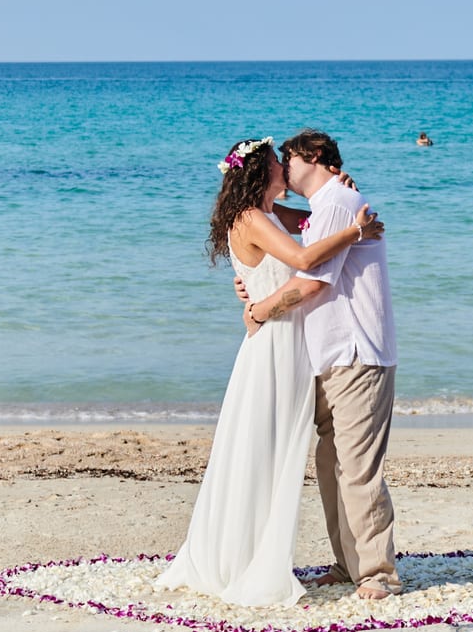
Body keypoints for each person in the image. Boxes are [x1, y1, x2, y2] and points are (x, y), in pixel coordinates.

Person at [160, 136, 385, 606]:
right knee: (264, 450)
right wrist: (355, 232)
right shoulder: (253, 218)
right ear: (261, 172)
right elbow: (305, 259)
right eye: (277, 163)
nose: (284, 168)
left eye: (289, 160)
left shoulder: (266, 215)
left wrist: (341, 197)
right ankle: (248, 558)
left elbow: (312, 224)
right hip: (277, 345)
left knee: (275, 449)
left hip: (292, 344)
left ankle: (274, 554)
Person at [237, 130, 401, 601]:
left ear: (312, 156)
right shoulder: (326, 207)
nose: (284, 167)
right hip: (329, 355)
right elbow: (276, 228)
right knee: (331, 463)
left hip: (355, 352)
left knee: (357, 468)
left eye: (287, 157)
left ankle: (377, 574)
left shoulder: (337, 203)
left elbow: (311, 283)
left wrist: (259, 310)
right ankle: (349, 564)